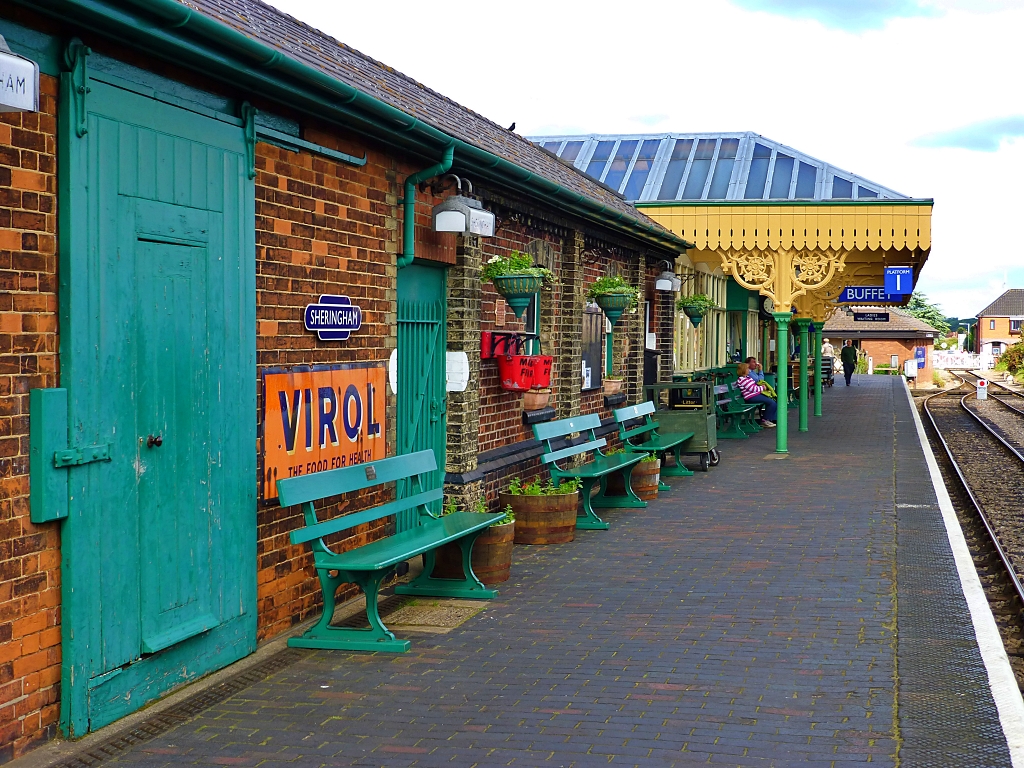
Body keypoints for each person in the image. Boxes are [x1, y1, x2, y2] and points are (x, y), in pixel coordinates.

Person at [736, 362, 776, 427]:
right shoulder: (742, 380)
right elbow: (753, 389)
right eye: (747, 369)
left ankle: (767, 419)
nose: (748, 370)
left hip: (755, 395)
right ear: (743, 370)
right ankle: (765, 420)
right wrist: (762, 387)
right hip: (751, 397)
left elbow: (755, 386)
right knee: (771, 402)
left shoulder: (747, 378)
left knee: (772, 401)